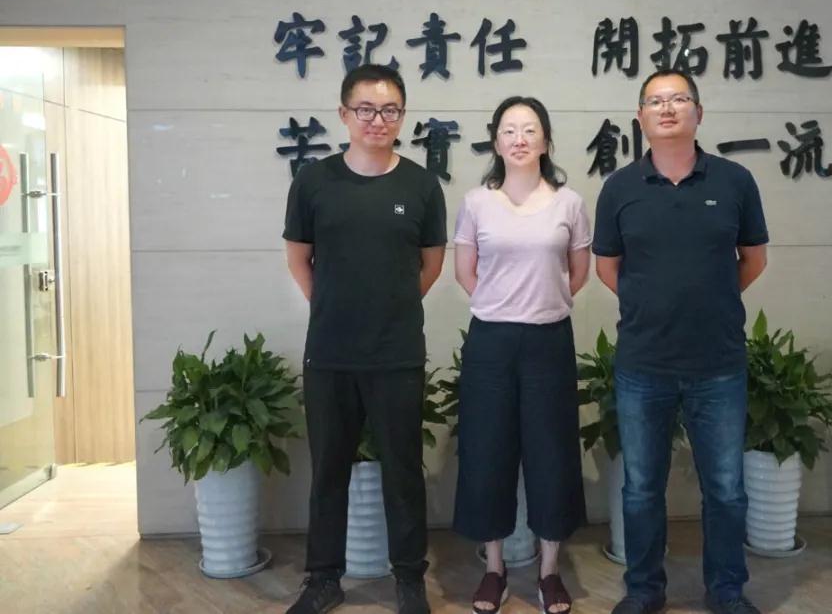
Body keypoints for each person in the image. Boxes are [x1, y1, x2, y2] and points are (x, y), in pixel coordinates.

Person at [592, 69, 769, 614]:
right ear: (640, 117)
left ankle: (727, 590)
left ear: (699, 112)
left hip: (718, 362)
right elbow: (607, 267)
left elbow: (753, 259)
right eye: (655, 101)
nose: (667, 108)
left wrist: (708, 300)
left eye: (679, 99)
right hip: (643, 363)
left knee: (726, 488)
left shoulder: (735, 181)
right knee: (642, 489)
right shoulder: (620, 187)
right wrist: (653, 305)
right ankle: (644, 590)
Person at [283, 64, 447, 614]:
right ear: (344, 114)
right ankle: (323, 579)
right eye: (367, 109)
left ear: (402, 116)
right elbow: (298, 258)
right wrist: (333, 307)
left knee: (402, 470)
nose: (378, 120)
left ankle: (409, 579)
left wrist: (389, 308)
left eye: (390, 110)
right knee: (329, 470)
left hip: (396, 354)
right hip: (330, 353)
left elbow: (430, 265)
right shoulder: (314, 181)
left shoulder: (421, 185)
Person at [452, 96, 591, 614]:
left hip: (548, 341)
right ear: (496, 142)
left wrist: (540, 303)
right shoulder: (477, 202)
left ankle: (550, 571)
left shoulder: (569, 203)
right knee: (487, 451)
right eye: (509, 130)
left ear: (546, 141)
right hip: (490, 342)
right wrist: (502, 305)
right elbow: (465, 271)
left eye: (529, 129)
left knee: (552, 453)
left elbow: (578, 272)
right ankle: (494, 568)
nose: (519, 139)